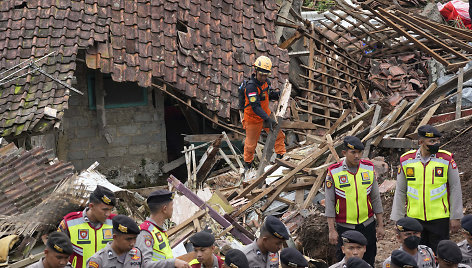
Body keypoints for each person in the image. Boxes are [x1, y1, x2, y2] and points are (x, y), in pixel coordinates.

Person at [391, 125, 464, 253]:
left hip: (439, 219)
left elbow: (455, 188)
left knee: (439, 254)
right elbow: (400, 191)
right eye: (432, 141)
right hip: (414, 219)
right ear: (421, 142)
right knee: (417, 254)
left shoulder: (446, 159)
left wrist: (456, 216)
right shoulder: (406, 160)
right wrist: (397, 217)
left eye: (437, 141)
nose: (436, 144)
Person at [325, 136, 384, 267]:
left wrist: (380, 225)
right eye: (353, 152)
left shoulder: (368, 168)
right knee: (346, 262)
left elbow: (375, 198)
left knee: (369, 259)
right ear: (344, 153)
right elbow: (329, 202)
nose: (357, 156)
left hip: (367, 225)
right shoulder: (334, 172)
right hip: (345, 227)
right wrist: (331, 230)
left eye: (359, 152)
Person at [242, 55, 285, 171]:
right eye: (261, 75)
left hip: (266, 114)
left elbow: (266, 95)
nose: (263, 77)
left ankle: (281, 156)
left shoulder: (266, 82)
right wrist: (267, 118)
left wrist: (276, 95)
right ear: (255, 71)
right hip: (253, 118)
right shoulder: (251, 87)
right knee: (250, 145)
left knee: (278, 135)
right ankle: (248, 165)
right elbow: (255, 106)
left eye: (266, 75)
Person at [58, 185, 116, 268]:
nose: (108, 214)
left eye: (111, 209)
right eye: (105, 209)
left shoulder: (115, 223)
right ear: (91, 206)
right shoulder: (69, 222)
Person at [135, 190, 189, 268]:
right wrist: (173, 263)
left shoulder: (159, 231)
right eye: (172, 205)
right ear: (164, 209)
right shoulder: (145, 233)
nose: (173, 208)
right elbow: (144, 265)